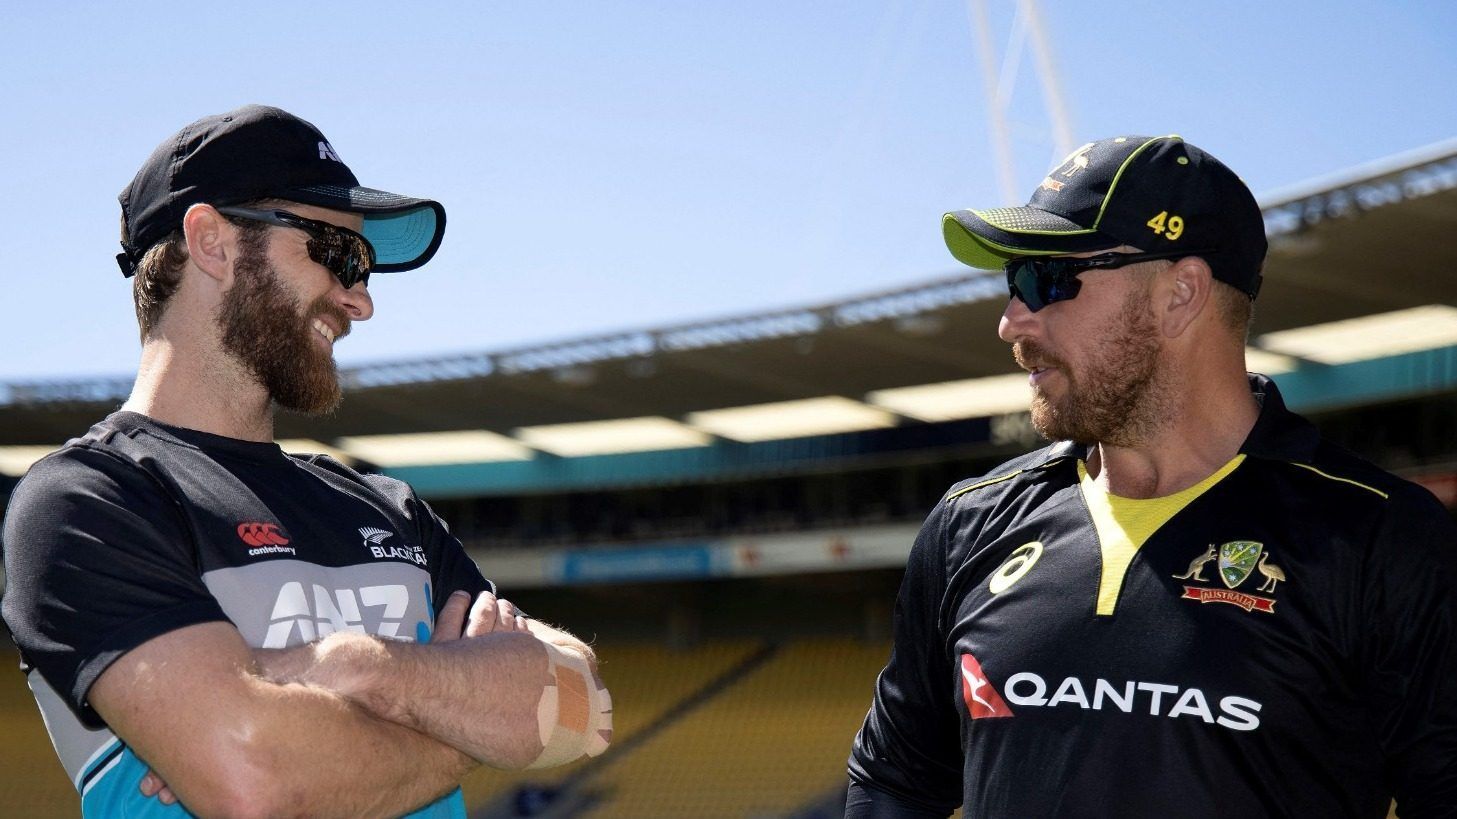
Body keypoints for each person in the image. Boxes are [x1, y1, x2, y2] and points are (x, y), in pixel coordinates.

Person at [1, 105, 611, 818]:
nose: (361, 299)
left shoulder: (385, 504)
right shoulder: (87, 500)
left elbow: (583, 708)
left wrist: (361, 668)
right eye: (337, 253)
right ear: (211, 242)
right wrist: (477, 721)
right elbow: (256, 780)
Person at [846, 135, 1457, 817]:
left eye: (1043, 279)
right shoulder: (969, 521)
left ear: (1180, 294)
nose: (1009, 319)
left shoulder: (1378, 537)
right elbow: (893, 776)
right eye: (1010, 281)